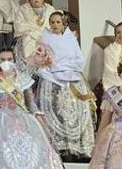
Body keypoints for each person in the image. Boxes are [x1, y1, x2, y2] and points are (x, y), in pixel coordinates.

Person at [32, 11, 96, 160]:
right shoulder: (44, 38)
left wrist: (63, 66)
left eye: (58, 22)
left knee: (78, 107)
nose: (55, 25)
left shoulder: (70, 39)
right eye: (52, 22)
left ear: (63, 24)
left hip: (71, 76)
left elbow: (78, 60)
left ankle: (77, 148)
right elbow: (40, 59)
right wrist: (51, 65)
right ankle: (58, 147)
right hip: (51, 76)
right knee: (54, 106)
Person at [13, 0, 56, 77]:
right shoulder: (23, 9)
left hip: (47, 38)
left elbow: (55, 25)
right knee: (27, 39)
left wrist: (41, 32)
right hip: (29, 38)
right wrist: (35, 32)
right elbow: (18, 25)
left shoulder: (50, 9)